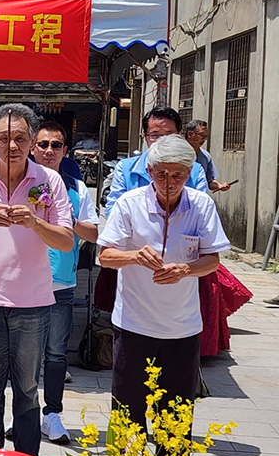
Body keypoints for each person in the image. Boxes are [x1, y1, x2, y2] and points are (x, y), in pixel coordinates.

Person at [97, 134, 230, 436]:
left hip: (182, 328)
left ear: (189, 173)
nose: (169, 182)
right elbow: (105, 256)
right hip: (133, 325)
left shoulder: (201, 205)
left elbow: (213, 260)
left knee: (176, 418)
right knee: (128, 415)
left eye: (178, 175)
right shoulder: (130, 204)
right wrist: (133, 255)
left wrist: (185, 269)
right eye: (161, 174)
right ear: (149, 172)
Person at [0, 104, 73, 456]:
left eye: (21, 138)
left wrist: (35, 223)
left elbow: (67, 241)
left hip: (33, 301)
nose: (13, 146)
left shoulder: (48, 180)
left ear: (31, 141)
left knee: (27, 389)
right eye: (5, 138)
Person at [30, 121, 99, 444]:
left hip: (60, 281)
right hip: (23, 282)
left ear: (64, 152)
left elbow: (94, 233)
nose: (48, 151)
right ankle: (25, 415)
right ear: (32, 147)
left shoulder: (76, 187)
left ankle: (52, 415)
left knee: (56, 354)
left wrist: (66, 219)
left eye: (55, 145)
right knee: (23, 356)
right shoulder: (18, 181)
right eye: (43, 144)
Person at [106, 107, 208, 217]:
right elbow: (113, 212)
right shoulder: (125, 169)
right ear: (145, 136)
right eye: (155, 135)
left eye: (169, 135)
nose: (162, 141)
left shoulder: (196, 171)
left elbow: (202, 213)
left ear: (179, 135)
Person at [183, 119, 231, 193]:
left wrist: (220, 186)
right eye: (201, 135)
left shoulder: (205, 156)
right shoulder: (177, 154)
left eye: (206, 137)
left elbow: (210, 182)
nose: (204, 140)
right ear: (190, 134)